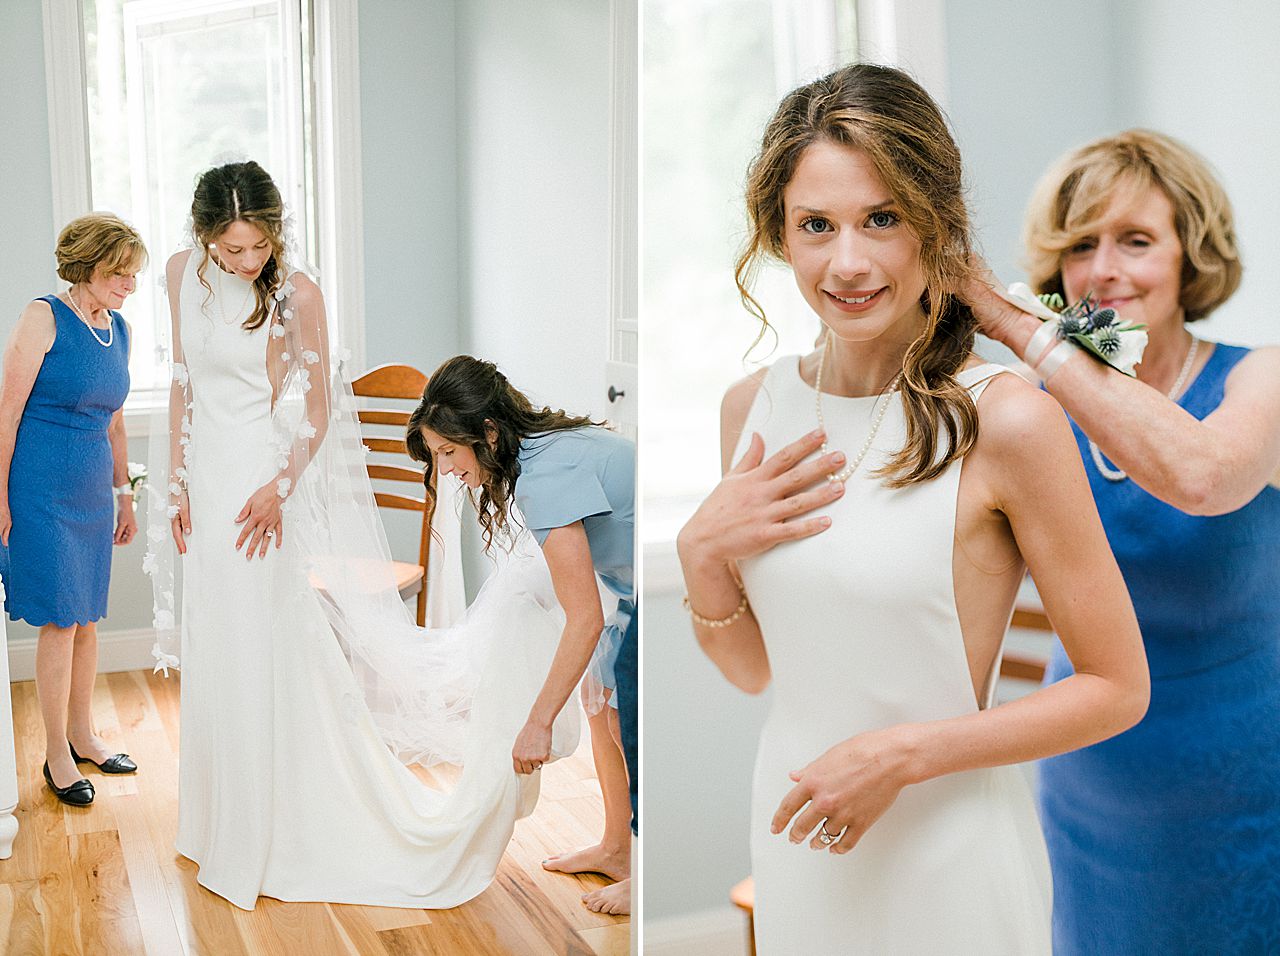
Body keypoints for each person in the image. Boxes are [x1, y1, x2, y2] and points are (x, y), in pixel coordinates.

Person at [676, 64, 1151, 955]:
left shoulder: (1007, 419)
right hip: (798, 837)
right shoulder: (753, 408)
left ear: (934, 225)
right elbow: (753, 670)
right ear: (777, 234)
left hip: (951, 859)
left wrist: (898, 755)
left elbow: (1118, 689)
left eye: (882, 219)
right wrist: (702, 558)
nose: (847, 262)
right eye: (816, 225)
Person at [146, 160, 573, 909]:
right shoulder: (182, 272)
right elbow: (183, 379)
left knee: (260, 642)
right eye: (233, 249)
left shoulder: (298, 293)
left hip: (259, 484)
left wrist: (279, 489)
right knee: (218, 640)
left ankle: (270, 829)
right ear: (204, 235)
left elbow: (316, 411)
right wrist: (176, 484)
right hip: (207, 483)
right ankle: (217, 824)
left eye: (259, 247)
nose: (249, 262)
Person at [964, 129, 1280, 954]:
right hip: (1091, 785)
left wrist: (1017, 325)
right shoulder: (1032, 408)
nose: (1103, 270)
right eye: (1081, 246)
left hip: (1250, 781)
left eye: (1136, 241)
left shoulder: (1261, 379)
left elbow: (1204, 477)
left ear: (1190, 257)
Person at [407, 355, 636, 916]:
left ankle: (643, 871)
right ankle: (616, 847)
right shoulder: (540, 447)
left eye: (448, 454)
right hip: (630, 581)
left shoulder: (543, 479)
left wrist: (536, 724)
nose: (447, 469)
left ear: (486, 433)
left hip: (660, 583)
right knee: (602, 709)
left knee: (628, 718)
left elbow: (583, 617)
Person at [0, 213, 144, 806]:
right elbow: (6, 412)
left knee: (87, 618)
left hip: (89, 492)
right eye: (121, 273)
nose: (130, 285)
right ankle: (56, 752)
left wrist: (125, 492)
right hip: (38, 486)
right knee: (61, 618)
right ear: (88, 264)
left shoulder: (120, 330)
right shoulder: (44, 316)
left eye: (134, 276)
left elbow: (114, 420)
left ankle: (84, 734)